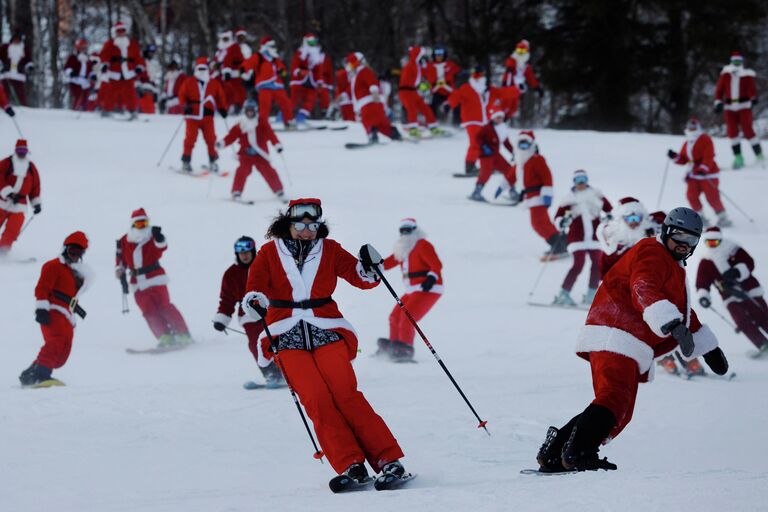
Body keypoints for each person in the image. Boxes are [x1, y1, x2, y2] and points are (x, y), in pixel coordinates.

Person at [534, 207, 728, 473]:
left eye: (692, 240)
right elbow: (643, 286)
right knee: (614, 400)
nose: (684, 245)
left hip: (626, 339)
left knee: (618, 408)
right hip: (616, 331)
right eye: (680, 236)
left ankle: (556, 451)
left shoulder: (671, 265)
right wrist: (669, 322)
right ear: (666, 232)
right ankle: (578, 451)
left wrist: (707, 347)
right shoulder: (652, 252)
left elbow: (682, 310)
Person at [242, 198, 409, 486]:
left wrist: (371, 268)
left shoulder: (329, 249)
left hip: (326, 327)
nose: (307, 231)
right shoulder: (269, 252)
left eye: (313, 225)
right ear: (288, 224)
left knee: (346, 394)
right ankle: (350, 464)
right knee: (317, 400)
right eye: (300, 225)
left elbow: (360, 277)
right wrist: (255, 300)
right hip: (286, 333)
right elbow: (254, 286)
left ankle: (387, 459)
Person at [19, 231, 90, 387]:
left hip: (67, 315)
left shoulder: (77, 274)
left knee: (62, 352)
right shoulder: (53, 266)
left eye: (79, 253)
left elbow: (73, 296)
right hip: (52, 310)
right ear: (65, 249)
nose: (75, 256)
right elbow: (42, 288)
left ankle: (30, 373)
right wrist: (41, 308)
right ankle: (40, 374)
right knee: (56, 341)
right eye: (72, 251)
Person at [115, 208, 192, 348]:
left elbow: (162, 246)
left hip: (155, 278)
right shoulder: (124, 240)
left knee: (165, 306)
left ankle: (182, 333)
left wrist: (159, 237)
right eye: (138, 224)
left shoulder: (152, 236)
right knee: (148, 311)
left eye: (144, 223)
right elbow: (120, 260)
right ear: (133, 225)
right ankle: (165, 336)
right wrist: (120, 271)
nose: (142, 226)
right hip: (137, 283)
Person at [213, 236, 284, 387]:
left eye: (247, 251)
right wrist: (222, 319)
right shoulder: (231, 274)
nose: (244, 255)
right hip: (248, 316)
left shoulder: (264, 266)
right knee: (255, 345)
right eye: (241, 252)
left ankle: (287, 370)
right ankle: (271, 374)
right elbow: (226, 300)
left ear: (252, 251)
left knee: (277, 342)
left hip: (271, 312)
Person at [378, 218, 443, 362]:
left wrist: (431, 278)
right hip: (412, 290)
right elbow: (389, 262)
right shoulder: (404, 248)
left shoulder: (422, 245)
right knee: (394, 316)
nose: (405, 233)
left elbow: (436, 264)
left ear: (415, 230)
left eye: (408, 229)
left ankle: (405, 349)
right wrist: (376, 265)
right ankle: (394, 346)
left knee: (407, 318)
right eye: (403, 230)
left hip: (428, 288)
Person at [697, 227, 768, 357]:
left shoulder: (734, 250)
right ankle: (762, 345)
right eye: (709, 243)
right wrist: (704, 295)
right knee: (741, 321)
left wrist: (737, 271)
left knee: (761, 314)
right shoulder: (706, 260)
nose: (712, 245)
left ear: (720, 240)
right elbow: (702, 281)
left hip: (749, 289)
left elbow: (749, 263)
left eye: (715, 242)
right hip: (729, 295)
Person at [552, 170, 612, 306]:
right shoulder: (569, 199)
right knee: (578, 264)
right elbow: (558, 217)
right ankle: (563, 294)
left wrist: (609, 217)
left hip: (594, 237)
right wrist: (562, 221)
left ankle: (591, 294)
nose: (581, 183)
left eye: (583, 179)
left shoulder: (596, 195)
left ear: (587, 180)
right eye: (578, 180)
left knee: (597, 263)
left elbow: (611, 210)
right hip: (577, 236)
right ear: (574, 182)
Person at [217, 99, 285, 201]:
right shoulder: (240, 123)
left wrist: (277, 145)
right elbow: (231, 136)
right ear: (245, 111)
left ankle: (279, 190)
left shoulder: (261, 121)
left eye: (251, 110)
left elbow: (270, 134)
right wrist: (222, 143)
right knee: (242, 171)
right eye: (248, 111)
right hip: (246, 154)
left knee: (268, 170)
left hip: (260, 153)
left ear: (255, 111)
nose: (250, 113)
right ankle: (236, 192)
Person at [668, 117, 731, 227]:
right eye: (689, 128)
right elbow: (684, 159)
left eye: (693, 128)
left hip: (708, 174)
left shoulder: (705, 139)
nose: (691, 130)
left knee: (712, 196)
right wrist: (675, 156)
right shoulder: (687, 142)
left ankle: (722, 217)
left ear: (697, 127)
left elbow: (709, 156)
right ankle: (700, 216)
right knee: (691, 195)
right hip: (693, 174)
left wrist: (703, 168)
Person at [445, 66, 506, 177]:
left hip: (483, 121)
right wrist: (449, 104)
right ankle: (470, 167)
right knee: (476, 143)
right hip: (472, 121)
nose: (478, 77)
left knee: (487, 144)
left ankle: (489, 165)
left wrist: (518, 89)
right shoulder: (467, 88)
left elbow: (503, 93)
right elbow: (456, 96)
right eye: (476, 75)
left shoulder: (486, 90)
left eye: (480, 75)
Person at [514, 130, 567, 257]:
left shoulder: (537, 159)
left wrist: (547, 194)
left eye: (526, 144)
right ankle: (561, 242)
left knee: (539, 223)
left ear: (532, 144)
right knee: (538, 223)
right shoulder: (521, 162)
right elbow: (512, 174)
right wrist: (502, 186)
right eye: (521, 144)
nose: (523, 148)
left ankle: (558, 244)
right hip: (530, 197)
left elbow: (547, 176)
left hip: (539, 196)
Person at [178, 57, 228, 173]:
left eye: (204, 69)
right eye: (199, 69)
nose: (201, 71)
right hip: (192, 116)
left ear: (207, 70)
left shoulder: (214, 83)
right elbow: (181, 95)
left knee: (211, 140)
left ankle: (213, 161)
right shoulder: (189, 82)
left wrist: (222, 109)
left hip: (208, 117)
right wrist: (185, 106)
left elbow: (220, 97)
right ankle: (186, 161)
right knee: (190, 139)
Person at [714, 52, 763, 169]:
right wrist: (718, 101)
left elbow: (752, 89)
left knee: (748, 130)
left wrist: (753, 98)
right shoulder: (725, 75)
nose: (736, 64)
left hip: (744, 105)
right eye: (734, 61)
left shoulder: (746, 75)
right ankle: (738, 157)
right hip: (729, 107)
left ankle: (759, 155)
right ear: (731, 62)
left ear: (741, 62)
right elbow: (719, 90)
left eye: (738, 61)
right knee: (732, 131)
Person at [345, 52, 402, 143]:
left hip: (369, 103)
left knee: (368, 121)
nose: (350, 67)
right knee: (381, 124)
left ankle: (372, 135)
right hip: (374, 104)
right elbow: (353, 91)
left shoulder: (363, 70)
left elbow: (372, 81)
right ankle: (393, 134)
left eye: (351, 64)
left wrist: (374, 91)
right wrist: (344, 96)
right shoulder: (356, 76)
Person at [242, 36, 294, 129]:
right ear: (265, 46)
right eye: (271, 45)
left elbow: (281, 68)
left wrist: (282, 71)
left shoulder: (274, 58)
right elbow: (246, 65)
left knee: (286, 102)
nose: (274, 48)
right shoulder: (258, 57)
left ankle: (289, 121)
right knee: (265, 105)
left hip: (277, 85)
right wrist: (242, 71)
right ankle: (263, 124)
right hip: (264, 85)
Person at [0, 139, 41, 255]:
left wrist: (36, 203)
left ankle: (2, 252)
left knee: (13, 230)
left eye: (24, 150)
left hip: (20, 204)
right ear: (16, 150)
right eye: (19, 150)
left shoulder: (31, 167)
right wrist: (8, 192)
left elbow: (35, 186)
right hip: (2, 201)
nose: (21, 153)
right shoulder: (6, 163)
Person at [469, 106, 517, 202]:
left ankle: (513, 191)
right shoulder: (487, 128)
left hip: (495, 154)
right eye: (497, 117)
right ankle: (476, 192)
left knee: (509, 170)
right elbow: (478, 138)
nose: (499, 119)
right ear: (493, 118)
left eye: (501, 118)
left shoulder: (502, 128)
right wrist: (484, 147)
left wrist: (513, 152)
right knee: (485, 173)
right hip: (486, 155)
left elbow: (506, 142)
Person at [596, 197, 653, 277]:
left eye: (637, 218)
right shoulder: (615, 243)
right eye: (629, 218)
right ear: (621, 219)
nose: (633, 222)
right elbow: (604, 270)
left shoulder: (650, 236)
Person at [99, 21, 144, 118]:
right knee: (111, 92)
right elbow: (104, 55)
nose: (121, 33)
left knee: (130, 93)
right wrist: (105, 64)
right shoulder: (110, 43)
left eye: (123, 30)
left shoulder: (132, 44)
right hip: (115, 71)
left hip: (129, 72)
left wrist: (139, 67)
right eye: (119, 31)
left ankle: (132, 111)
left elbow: (138, 57)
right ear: (115, 32)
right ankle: (107, 110)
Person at [290, 34, 334, 124]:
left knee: (311, 99)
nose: (312, 44)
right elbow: (294, 65)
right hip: (299, 80)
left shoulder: (316, 55)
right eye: (310, 42)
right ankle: (284, 116)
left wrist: (320, 81)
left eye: (314, 42)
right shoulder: (300, 53)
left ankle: (301, 117)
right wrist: (299, 71)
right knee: (295, 100)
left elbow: (319, 70)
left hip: (312, 81)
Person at [399, 45, 440, 138]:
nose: (422, 58)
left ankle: (433, 127)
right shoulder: (411, 64)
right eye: (421, 55)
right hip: (405, 91)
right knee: (412, 109)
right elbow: (414, 79)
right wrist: (422, 85)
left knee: (424, 107)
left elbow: (422, 76)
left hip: (413, 91)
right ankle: (413, 129)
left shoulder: (417, 64)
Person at [424, 46, 460, 123]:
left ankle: (457, 125)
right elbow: (422, 73)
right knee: (431, 106)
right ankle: (432, 124)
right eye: (437, 55)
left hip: (449, 92)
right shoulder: (429, 66)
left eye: (441, 55)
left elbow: (458, 71)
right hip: (437, 92)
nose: (439, 57)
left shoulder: (450, 64)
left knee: (456, 105)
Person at [214, 30, 246, 114]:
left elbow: (229, 60)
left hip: (234, 73)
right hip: (222, 75)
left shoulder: (233, 47)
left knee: (237, 91)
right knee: (224, 92)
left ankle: (237, 106)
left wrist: (227, 70)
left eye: (226, 38)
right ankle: (224, 107)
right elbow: (217, 61)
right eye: (223, 38)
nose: (225, 40)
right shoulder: (220, 50)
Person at [0, 31, 34, 105]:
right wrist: (2, 66)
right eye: (15, 39)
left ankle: (23, 106)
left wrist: (29, 66)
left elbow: (28, 60)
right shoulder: (5, 47)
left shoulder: (24, 48)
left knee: (20, 92)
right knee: (5, 92)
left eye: (18, 39)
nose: (16, 40)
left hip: (19, 74)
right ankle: (4, 106)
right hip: (6, 73)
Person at [63, 39, 93, 111]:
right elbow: (67, 67)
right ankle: (75, 109)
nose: (83, 50)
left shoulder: (88, 59)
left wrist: (93, 76)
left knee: (86, 96)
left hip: (85, 81)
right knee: (77, 95)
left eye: (84, 48)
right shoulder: (73, 57)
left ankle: (84, 110)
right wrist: (71, 72)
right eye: (81, 48)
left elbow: (90, 70)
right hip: (75, 80)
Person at [136, 44, 160, 114]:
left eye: (153, 52)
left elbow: (153, 78)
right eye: (150, 52)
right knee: (143, 109)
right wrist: (138, 87)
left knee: (150, 110)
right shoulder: (141, 60)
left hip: (151, 88)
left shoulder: (153, 63)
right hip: (142, 87)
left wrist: (155, 92)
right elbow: (137, 75)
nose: (152, 54)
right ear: (147, 52)